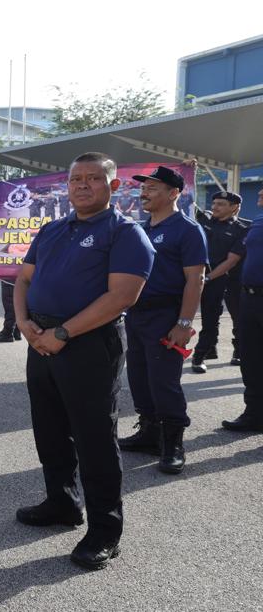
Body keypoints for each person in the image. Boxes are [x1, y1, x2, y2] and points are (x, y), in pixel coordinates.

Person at [13, 152, 155, 571]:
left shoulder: (125, 233)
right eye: (76, 179)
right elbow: (23, 279)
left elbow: (121, 297)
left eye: (94, 179)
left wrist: (61, 334)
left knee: (94, 438)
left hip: (89, 343)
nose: (82, 185)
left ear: (113, 186)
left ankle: (104, 532)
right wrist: (24, 324)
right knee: (50, 428)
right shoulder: (53, 230)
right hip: (40, 339)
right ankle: (62, 503)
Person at [117, 166, 206, 475]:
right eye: (144, 187)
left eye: (153, 188)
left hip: (166, 315)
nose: (144, 192)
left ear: (173, 193)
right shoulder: (141, 228)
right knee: (139, 378)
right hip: (137, 314)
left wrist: (184, 324)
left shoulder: (188, 229)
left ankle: (173, 443)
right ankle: (149, 433)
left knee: (163, 381)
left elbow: (195, 280)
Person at [191, 191, 250, 373]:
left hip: (229, 280)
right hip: (207, 279)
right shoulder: (205, 220)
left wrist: (206, 278)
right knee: (209, 318)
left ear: (234, 208)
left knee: (238, 319)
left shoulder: (243, 228)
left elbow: (231, 261)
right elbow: (189, 199)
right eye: (214, 203)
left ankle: (239, 351)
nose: (215, 207)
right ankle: (201, 354)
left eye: (221, 204)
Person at [222, 186, 263, 433]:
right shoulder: (258, 220)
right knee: (251, 360)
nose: (259, 192)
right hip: (249, 298)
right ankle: (254, 415)